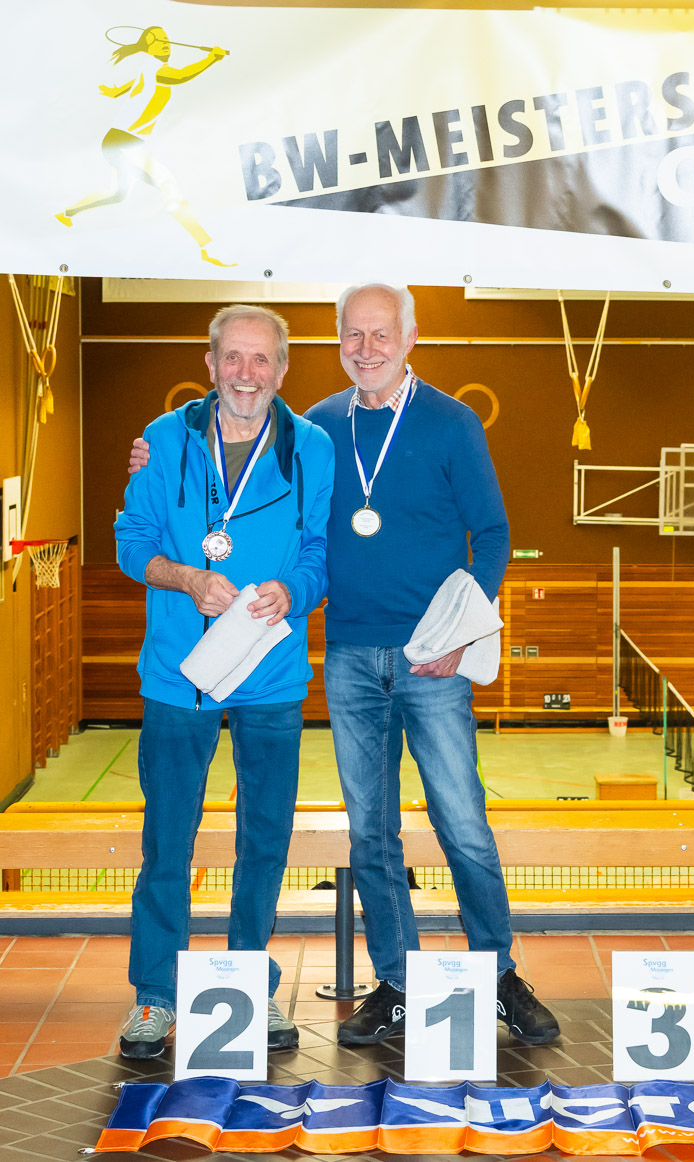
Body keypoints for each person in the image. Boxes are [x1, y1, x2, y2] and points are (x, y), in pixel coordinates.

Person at [128, 286, 559, 1047]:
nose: (367, 349)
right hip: (342, 656)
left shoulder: (427, 426)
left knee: (461, 824)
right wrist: (160, 489)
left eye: (380, 334)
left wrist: (463, 630)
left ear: (409, 338)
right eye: (353, 335)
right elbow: (159, 530)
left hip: (422, 660)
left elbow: (484, 535)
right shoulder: (293, 430)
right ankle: (394, 982)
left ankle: (498, 975)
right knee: (368, 834)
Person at [114, 304, 334, 1058]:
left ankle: (247, 986)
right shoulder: (163, 439)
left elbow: (320, 552)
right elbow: (130, 542)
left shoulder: (312, 449)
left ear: (282, 369)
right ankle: (154, 996)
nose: (246, 373)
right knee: (166, 841)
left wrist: (292, 591)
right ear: (209, 365)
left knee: (264, 840)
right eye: (232, 358)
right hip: (178, 680)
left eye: (261, 359)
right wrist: (185, 577)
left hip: (271, 675)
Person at [57, 26, 233, 266]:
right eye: (156, 40)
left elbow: (137, 81)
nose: (164, 42)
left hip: (122, 142)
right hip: (122, 142)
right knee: (168, 185)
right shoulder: (158, 69)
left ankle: (66, 213)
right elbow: (180, 76)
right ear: (147, 48)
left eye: (166, 38)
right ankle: (208, 248)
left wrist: (116, 92)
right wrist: (211, 58)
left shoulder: (151, 68)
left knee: (118, 194)